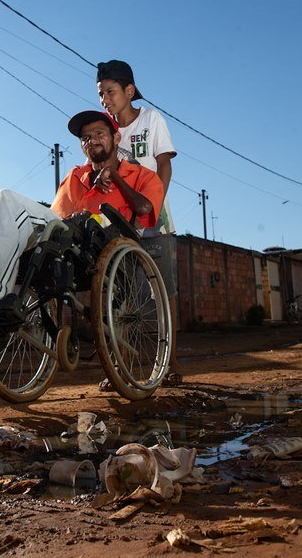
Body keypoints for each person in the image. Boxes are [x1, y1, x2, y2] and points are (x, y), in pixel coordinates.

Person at [0, 110, 165, 306]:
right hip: (63, 236)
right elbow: (55, 218)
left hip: (101, 243)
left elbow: (144, 208)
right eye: (85, 137)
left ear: (116, 137)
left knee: (6, 197)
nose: (92, 140)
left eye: (99, 133)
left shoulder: (141, 175)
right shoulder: (74, 177)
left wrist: (115, 176)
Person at [97, 60, 181, 383]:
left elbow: (165, 166)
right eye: (101, 94)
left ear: (129, 91)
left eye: (110, 91)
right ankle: (120, 366)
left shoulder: (151, 120)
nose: (105, 99)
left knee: (164, 290)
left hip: (153, 218)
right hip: (120, 222)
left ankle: (171, 363)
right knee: (120, 294)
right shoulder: (105, 130)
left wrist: (154, 208)